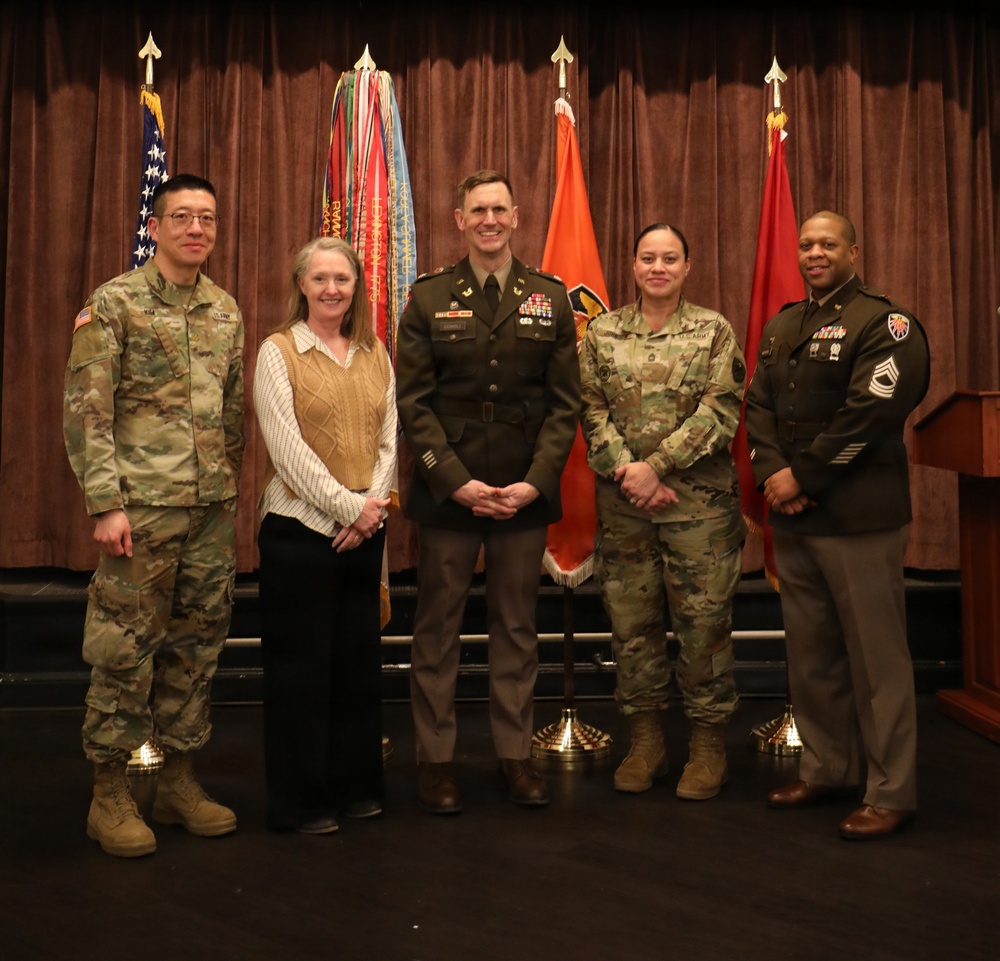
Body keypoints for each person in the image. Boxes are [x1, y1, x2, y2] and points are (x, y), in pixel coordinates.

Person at [63, 173, 244, 858]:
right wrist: (105, 503)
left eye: (207, 218)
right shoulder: (115, 304)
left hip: (207, 514)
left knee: (196, 650)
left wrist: (221, 490)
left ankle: (178, 781)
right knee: (123, 652)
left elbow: (230, 415)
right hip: (137, 514)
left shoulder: (225, 310)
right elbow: (87, 408)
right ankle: (108, 793)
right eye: (183, 217)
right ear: (156, 226)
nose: (196, 228)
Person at [395, 169, 581, 812]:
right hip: (449, 492)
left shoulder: (551, 298)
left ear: (517, 215)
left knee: (517, 627)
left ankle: (515, 756)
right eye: (478, 210)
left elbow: (565, 407)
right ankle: (436, 762)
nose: (490, 220)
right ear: (459, 219)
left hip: (524, 492)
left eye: (500, 209)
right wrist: (456, 482)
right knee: (437, 629)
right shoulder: (427, 298)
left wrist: (535, 484)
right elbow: (412, 403)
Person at [744, 211, 930, 840]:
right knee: (813, 654)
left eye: (827, 244)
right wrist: (774, 474)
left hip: (859, 519)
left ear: (855, 249)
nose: (814, 253)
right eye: (806, 244)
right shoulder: (785, 323)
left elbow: (869, 415)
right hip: (796, 519)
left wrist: (803, 478)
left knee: (877, 661)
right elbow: (759, 406)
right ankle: (828, 769)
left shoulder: (886, 323)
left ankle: (891, 791)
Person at [580, 223, 747, 801]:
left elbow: (720, 411)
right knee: (632, 629)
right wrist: (632, 473)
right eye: (647, 258)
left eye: (669, 258)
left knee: (703, 630)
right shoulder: (601, 332)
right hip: (626, 508)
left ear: (687, 265)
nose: (658, 267)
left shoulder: (712, 331)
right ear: (632, 266)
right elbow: (590, 409)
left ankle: (707, 747)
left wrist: (659, 466)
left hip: (698, 509)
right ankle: (646, 741)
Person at [253, 236, 396, 834]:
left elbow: (391, 438)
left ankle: (355, 786)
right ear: (302, 286)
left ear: (356, 285)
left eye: (342, 278)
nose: (332, 289)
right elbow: (286, 451)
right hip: (299, 533)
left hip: (364, 534)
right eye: (320, 279)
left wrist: (372, 508)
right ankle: (302, 801)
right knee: (300, 673)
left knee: (355, 669)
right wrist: (347, 510)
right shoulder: (277, 352)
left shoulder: (375, 351)